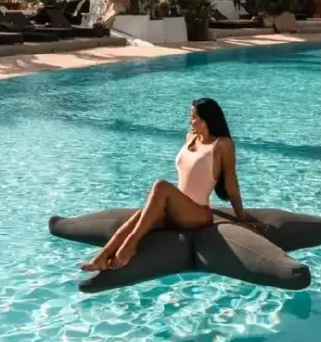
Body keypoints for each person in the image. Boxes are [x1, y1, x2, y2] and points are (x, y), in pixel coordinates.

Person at [81, 98, 258, 272]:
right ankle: (101, 258)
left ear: (207, 120)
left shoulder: (222, 145)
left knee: (161, 186)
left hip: (198, 213)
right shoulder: (190, 137)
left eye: (194, 117)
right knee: (137, 218)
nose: (190, 121)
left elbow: (231, 184)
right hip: (176, 210)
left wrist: (241, 216)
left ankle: (130, 246)